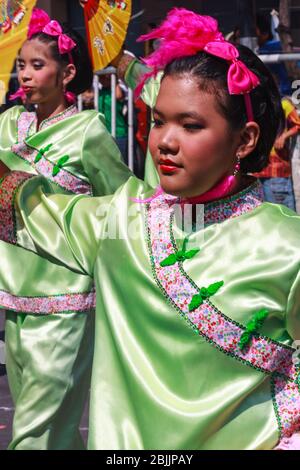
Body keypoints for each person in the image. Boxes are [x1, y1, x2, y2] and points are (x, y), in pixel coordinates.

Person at [0, 8, 300, 450]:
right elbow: (28, 205)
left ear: (246, 139)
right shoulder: (120, 220)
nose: (165, 141)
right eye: (159, 121)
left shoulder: (286, 248)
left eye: (191, 125)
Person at [0, 8, 131, 450]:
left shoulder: (87, 130)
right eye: (21, 65)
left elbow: (122, 204)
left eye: (38, 65)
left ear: (67, 72)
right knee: (53, 429)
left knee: (33, 433)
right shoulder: (5, 125)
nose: (26, 75)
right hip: (14, 297)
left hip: (67, 301)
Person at [253, 96, 300, 211]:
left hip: (276, 171)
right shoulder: (254, 105)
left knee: (284, 216)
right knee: (272, 217)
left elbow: (297, 124)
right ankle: (199, 227)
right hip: (258, 173)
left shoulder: (283, 104)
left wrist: (283, 137)